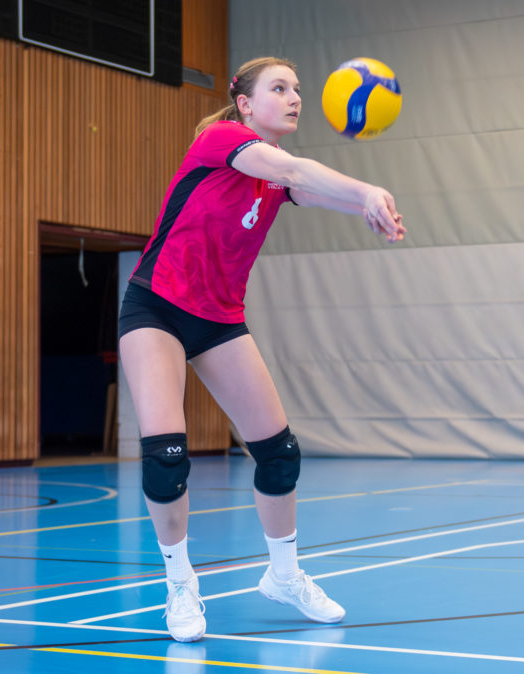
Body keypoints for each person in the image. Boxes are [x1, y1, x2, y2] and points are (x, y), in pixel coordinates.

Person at [117, 57, 406, 642]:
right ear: (246, 104)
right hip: (156, 307)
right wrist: (367, 188)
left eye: (297, 88)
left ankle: (284, 575)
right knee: (167, 455)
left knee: (280, 455)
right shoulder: (222, 140)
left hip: (219, 318)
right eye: (280, 88)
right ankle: (180, 585)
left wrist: (368, 207)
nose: (295, 97)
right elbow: (295, 168)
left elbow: (306, 186)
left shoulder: (275, 177)